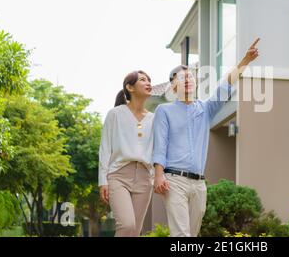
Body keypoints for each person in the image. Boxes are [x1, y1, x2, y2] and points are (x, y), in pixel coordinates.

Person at [153, 38, 260, 237]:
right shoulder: (164, 111)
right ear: (173, 86)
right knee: (181, 235)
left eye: (191, 76)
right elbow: (160, 144)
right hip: (174, 179)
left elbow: (225, 85)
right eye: (182, 77)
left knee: (192, 235)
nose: (188, 79)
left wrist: (245, 60)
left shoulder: (205, 109)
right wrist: (158, 175)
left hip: (199, 184)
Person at [98, 70, 154, 237]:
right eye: (143, 80)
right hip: (118, 176)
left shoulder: (154, 118)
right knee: (127, 225)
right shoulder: (115, 114)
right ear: (130, 87)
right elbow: (105, 148)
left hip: (144, 178)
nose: (148, 83)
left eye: (149, 80)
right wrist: (103, 181)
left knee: (135, 231)